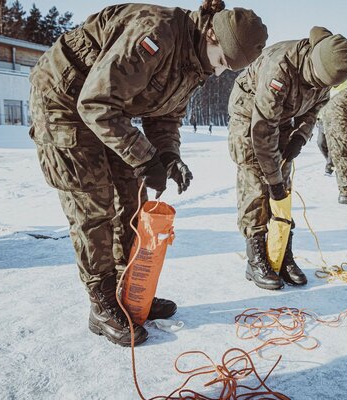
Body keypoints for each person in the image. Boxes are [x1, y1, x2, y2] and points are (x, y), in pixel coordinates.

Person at [29, 0, 267, 346]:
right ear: (211, 35)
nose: (217, 73)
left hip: (108, 107)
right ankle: (102, 301)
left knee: (132, 197)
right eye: (220, 63)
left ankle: (130, 292)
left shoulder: (196, 58)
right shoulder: (156, 32)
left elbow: (165, 114)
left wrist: (168, 156)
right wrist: (143, 157)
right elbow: (95, 103)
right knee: (93, 203)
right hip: (64, 101)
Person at [227, 26, 347, 290]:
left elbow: (316, 107)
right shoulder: (280, 66)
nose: (321, 87)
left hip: (283, 118)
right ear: (312, 62)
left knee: (283, 186)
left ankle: (281, 250)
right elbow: (262, 129)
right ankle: (256, 257)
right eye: (318, 81)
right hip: (251, 117)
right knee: (257, 180)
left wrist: (301, 135)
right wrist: (272, 180)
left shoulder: (326, 72)